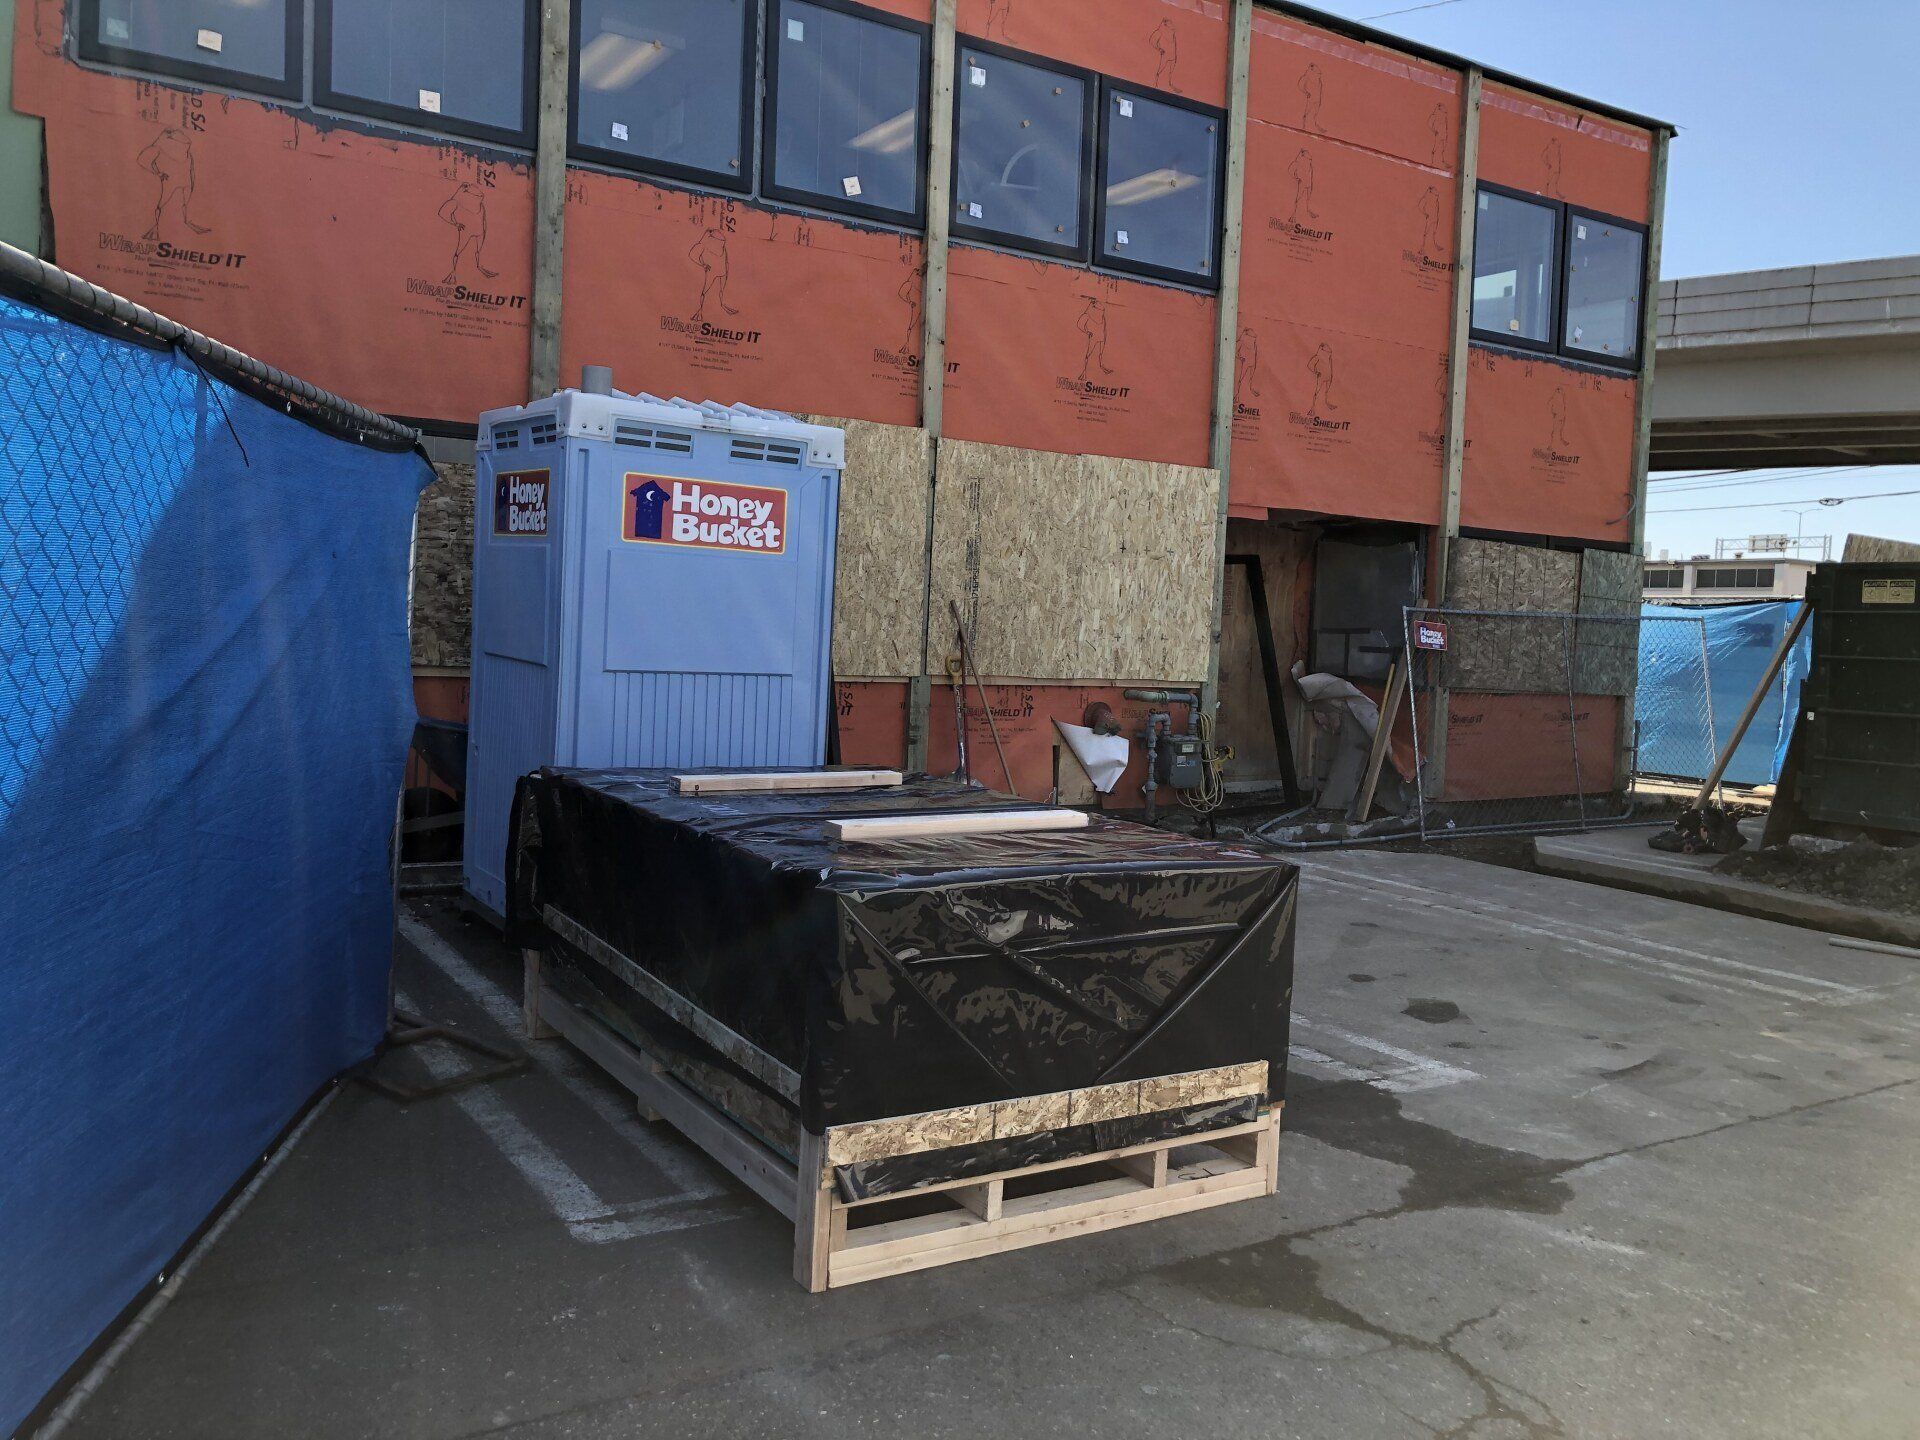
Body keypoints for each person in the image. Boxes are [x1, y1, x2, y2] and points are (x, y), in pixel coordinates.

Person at [137, 127, 210, 242]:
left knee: (185, 202)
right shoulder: (159, 148)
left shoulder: (187, 153)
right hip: (170, 180)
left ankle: (187, 222)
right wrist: (158, 173)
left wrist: (192, 182)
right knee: (162, 203)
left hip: (185, 180)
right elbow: (142, 159)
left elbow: (191, 170)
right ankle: (155, 228)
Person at [437, 182, 498, 284]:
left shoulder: (480, 205)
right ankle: (453, 273)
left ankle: (479, 267)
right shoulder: (456, 202)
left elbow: (484, 219)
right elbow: (442, 213)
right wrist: (455, 224)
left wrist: (484, 229)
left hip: (479, 231)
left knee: (478, 251)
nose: (479, 197)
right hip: (467, 230)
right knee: (458, 251)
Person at [689, 224, 737, 322]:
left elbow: (726, 259)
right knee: (705, 291)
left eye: (722, 242)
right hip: (712, 271)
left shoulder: (722, 247)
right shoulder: (703, 244)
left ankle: (723, 305)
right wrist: (703, 265)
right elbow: (692, 254)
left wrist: (727, 268)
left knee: (721, 290)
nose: (721, 244)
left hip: (722, 270)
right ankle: (700, 311)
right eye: (719, 242)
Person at [1076, 297, 1112, 381]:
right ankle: (1083, 373)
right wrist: (1087, 332)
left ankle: (1102, 367)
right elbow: (1079, 324)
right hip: (1093, 337)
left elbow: (1104, 327)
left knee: (1100, 353)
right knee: (1088, 355)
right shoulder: (1087, 314)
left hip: (1101, 336)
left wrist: (1104, 336)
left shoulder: (1102, 316)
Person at [1288, 147, 1317, 225]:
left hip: (1309, 183)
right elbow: (1290, 170)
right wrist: (1296, 177)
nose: (1309, 156)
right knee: (1298, 198)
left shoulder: (1309, 162)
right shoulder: (1298, 162)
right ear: (1303, 154)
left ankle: (1308, 210)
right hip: (1303, 182)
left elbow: (1311, 173)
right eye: (1306, 154)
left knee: (1308, 197)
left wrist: (1310, 181)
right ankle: (1293, 214)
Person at [1148, 18, 1178, 90]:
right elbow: (1152, 41)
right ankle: (1155, 85)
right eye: (1169, 23)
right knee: (1159, 71)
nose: (1171, 25)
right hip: (1165, 55)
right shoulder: (1159, 32)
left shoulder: (1172, 32)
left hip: (1173, 56)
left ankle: (1170, 85)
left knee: (1170, 71)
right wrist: (1159, 49)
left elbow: (1174, 44)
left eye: (1171, 23)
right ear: (1165, 24)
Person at [1308, 342, 1337, 417]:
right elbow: (1309, 365)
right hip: (1321, 376)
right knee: (1317, 392)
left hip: (1328, 376)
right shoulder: (1318, 356)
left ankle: (1327, 403)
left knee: (1326, 391)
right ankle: (1312, 408)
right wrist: (1316, 372)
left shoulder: (1329, 357)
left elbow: (1331, 366)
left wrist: (1331, 375)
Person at [1299, 62, 1323, 131]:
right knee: (1307, 112)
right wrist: (1306, 92)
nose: (1319, 74)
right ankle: (1303, 126)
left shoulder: (1318, 79)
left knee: (1315, 113)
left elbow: (1320, 89)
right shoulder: (1306, 76)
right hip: (1311, 98)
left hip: (1317, 99)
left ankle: (1315, 125)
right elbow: (1300, 85)